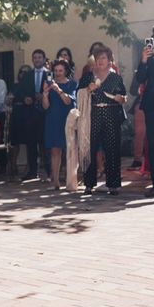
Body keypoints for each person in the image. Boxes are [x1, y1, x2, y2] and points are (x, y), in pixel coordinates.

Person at [78, 45, 127, 195]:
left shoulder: (116, 78)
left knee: (112, 149)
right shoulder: (88, 76)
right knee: (90, 148)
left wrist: (120, 98)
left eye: (104, 58)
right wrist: (87, 90)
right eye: (98, 58)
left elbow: (123, 96)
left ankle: (113, 184)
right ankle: (89, 184)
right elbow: (78, 93)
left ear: (109, 60)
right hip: (93, 114)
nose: (100, 61)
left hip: (111, 114)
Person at [42, 59, 77, 190]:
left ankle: (71, 180)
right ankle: (55, 181)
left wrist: (58, 90)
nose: (57, 73)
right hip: (52, 120)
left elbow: (68, 101)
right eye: (55, 71)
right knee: (55, 151)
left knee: (70, 150)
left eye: (60, 70)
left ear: (66, 71)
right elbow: (45, 106)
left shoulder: (72, 84)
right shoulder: (49, 84)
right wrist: (45, 93)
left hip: (67, 120)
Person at [19, 49, 49, 181]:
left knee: (45, 144)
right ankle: (32, 171)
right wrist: (26, 98)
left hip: (44, 113)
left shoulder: (49, 74)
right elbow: (20, 91)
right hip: (30, 113)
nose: (37, 60)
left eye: (39, 57)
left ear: (44, 59)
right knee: (31, 144)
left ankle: (49, 171)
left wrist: (44, 96)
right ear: (32, 59)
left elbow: (53, 91)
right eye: (35, 57)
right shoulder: (27, 75)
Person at [136, 38, 154, 197]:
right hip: (152, 105)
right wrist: (143, 60)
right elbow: (140, 79)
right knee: (153, 145)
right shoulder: (149, 58)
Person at [8, 64, 32, 178]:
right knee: (15, 142)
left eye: (26, 72)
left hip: (27, 114)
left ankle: (29, 166)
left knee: (28, 142)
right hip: (16, 113)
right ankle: (13, 166)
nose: (23, 74)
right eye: (21, 71)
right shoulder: (15, 85)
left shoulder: (31, 86)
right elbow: (9, 98)